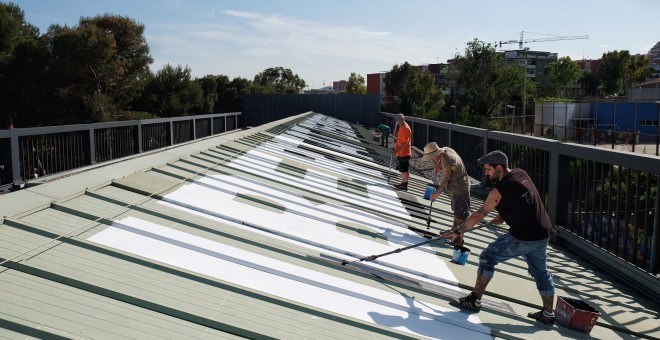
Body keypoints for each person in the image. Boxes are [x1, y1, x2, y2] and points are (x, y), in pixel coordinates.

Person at [440, 150, 556, 325]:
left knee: (487, 257)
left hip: (523, 237)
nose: (486, 173)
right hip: (542, 233)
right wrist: (504, 215)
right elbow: (526, 199)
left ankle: (474, 300)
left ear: (499, 168)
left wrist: (458, 231)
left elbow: (479, 214)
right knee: (541, 272)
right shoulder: (520, 173)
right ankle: (548, 314)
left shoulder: (499, 190)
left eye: (488, 169)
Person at [421, 142, 470, 247]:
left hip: (460, 188)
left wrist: (436, 194)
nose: (431, 160)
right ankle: (453, 230)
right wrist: (438, 165)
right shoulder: (444, 150)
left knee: (461, 214)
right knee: (456, 210)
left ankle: (458, 240)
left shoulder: (447, 160)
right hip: (456, 186)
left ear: (435, 155)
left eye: (431, 158)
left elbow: (444, 182)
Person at [392, 113, 411, 190]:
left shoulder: (406, 128)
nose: (397, 122)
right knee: (402, 169)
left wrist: (397, 150)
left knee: (404, 169)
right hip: (400, 152)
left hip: (404, 152)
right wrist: (396, 134)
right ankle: (403, 183)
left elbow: (406, 142)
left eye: (398, 121)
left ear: (402, 120)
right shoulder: (401, 127)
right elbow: (401, 138)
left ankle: (405, 184)